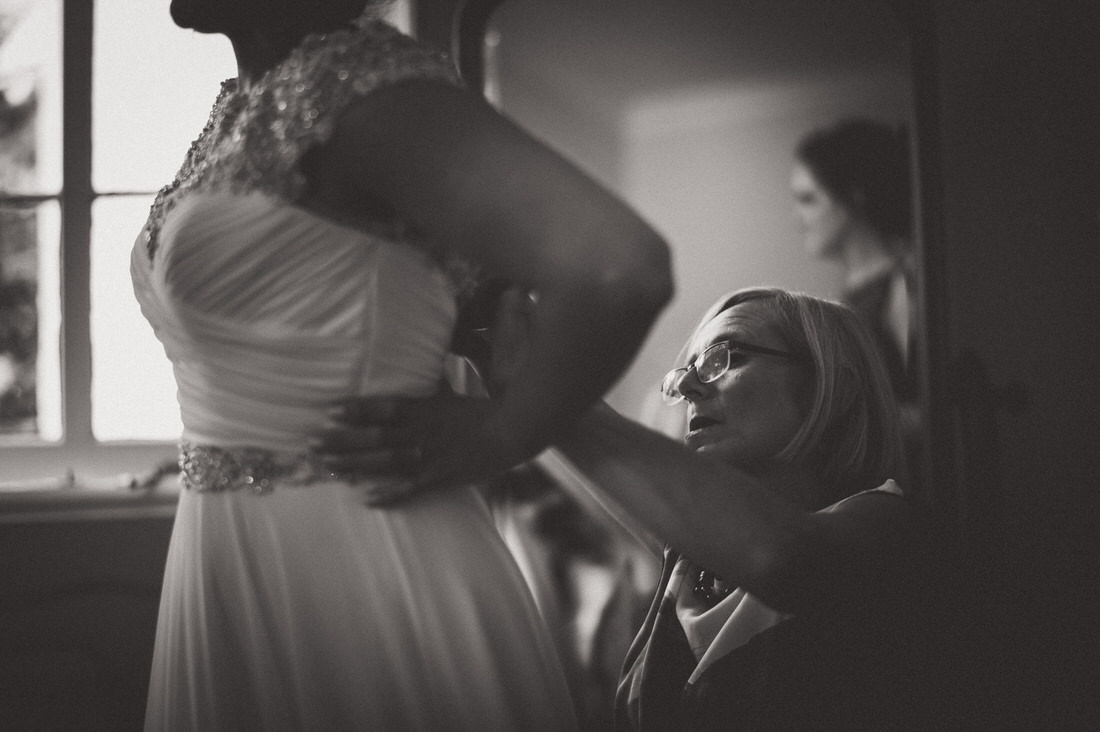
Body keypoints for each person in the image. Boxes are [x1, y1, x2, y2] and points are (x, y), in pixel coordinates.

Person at [131, 0, 671, 728]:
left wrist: (504, 435)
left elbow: (618, 267)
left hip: (368, 555)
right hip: (224, 552)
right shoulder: (248, 105)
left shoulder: (367, 89)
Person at [317, 286, 944, 729]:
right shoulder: (683, 564)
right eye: (688, 370)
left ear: (836, 384)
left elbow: (787, 557)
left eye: (725, 357)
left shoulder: (889, 527)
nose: (691, 385)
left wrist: (544, 400)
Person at [790, 119, 921, 489]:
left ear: (855, 196)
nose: (797, 218)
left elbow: (931, 410)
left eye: (808, 199)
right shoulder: (850, 294)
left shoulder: (906, 283)